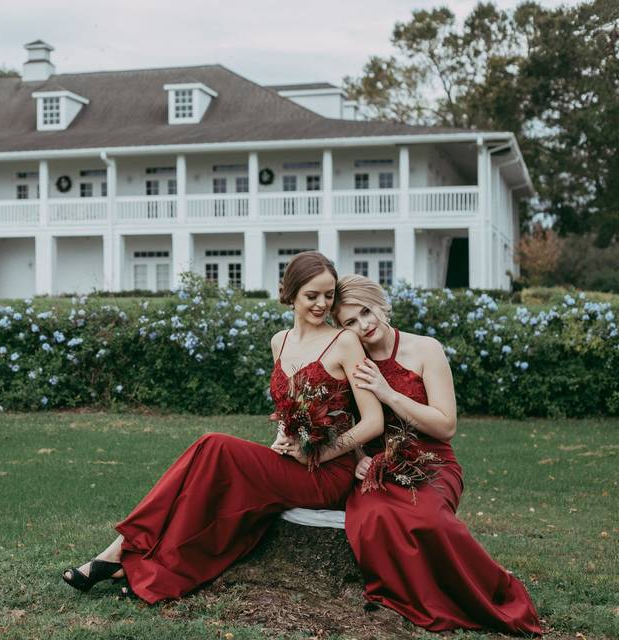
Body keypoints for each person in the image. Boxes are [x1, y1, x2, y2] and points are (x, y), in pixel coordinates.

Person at [61, 251, 384, 603]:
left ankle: (122, 548)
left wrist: (320, 451)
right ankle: (132, 557)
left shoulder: (345, 342)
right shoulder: (281, 341)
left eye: (329, 295)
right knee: (202, 473)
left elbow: (373, 421)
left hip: (326, 473)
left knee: (213, 446)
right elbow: (290, 409)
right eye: (312, 295)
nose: (322, 304)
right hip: (292, 461)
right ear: (290, 294)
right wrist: (285, 434)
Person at [333, 274, 542, 635]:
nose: (363, 325)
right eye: (350, 322)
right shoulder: (351, 359)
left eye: (366, 312)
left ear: (382, 305)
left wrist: (387, 393)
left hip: (432, 462)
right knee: (372, 519)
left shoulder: (426, 349)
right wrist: (356, 459)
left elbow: (446, 426)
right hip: (381, 465)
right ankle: (407, 598)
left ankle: (488, 593)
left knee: (429, 520)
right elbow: (341, 418)